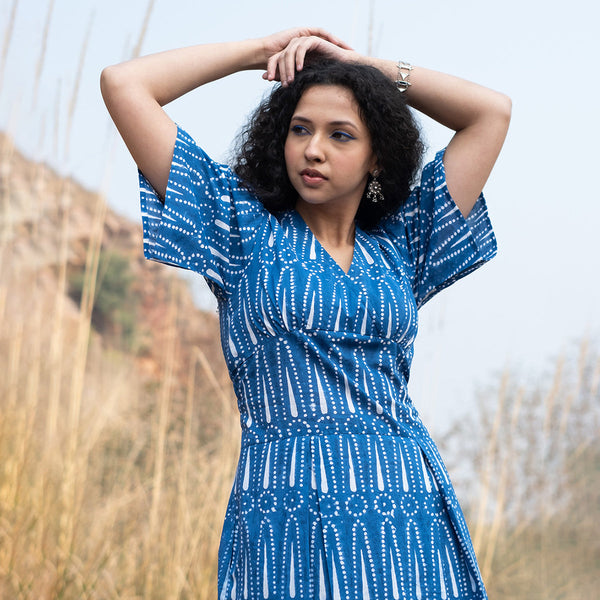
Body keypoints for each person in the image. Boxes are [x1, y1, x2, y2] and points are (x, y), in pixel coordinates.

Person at [101, 26, 510, 600]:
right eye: (300, 129)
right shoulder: (238, 226)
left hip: (400, 505)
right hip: (284, 504)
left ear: (377, 159)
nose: (313, 148)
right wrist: (256, 54)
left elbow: (490, 113)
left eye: (341, 135)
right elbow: (125, 85)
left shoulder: (403, 241)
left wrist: (360, 69)